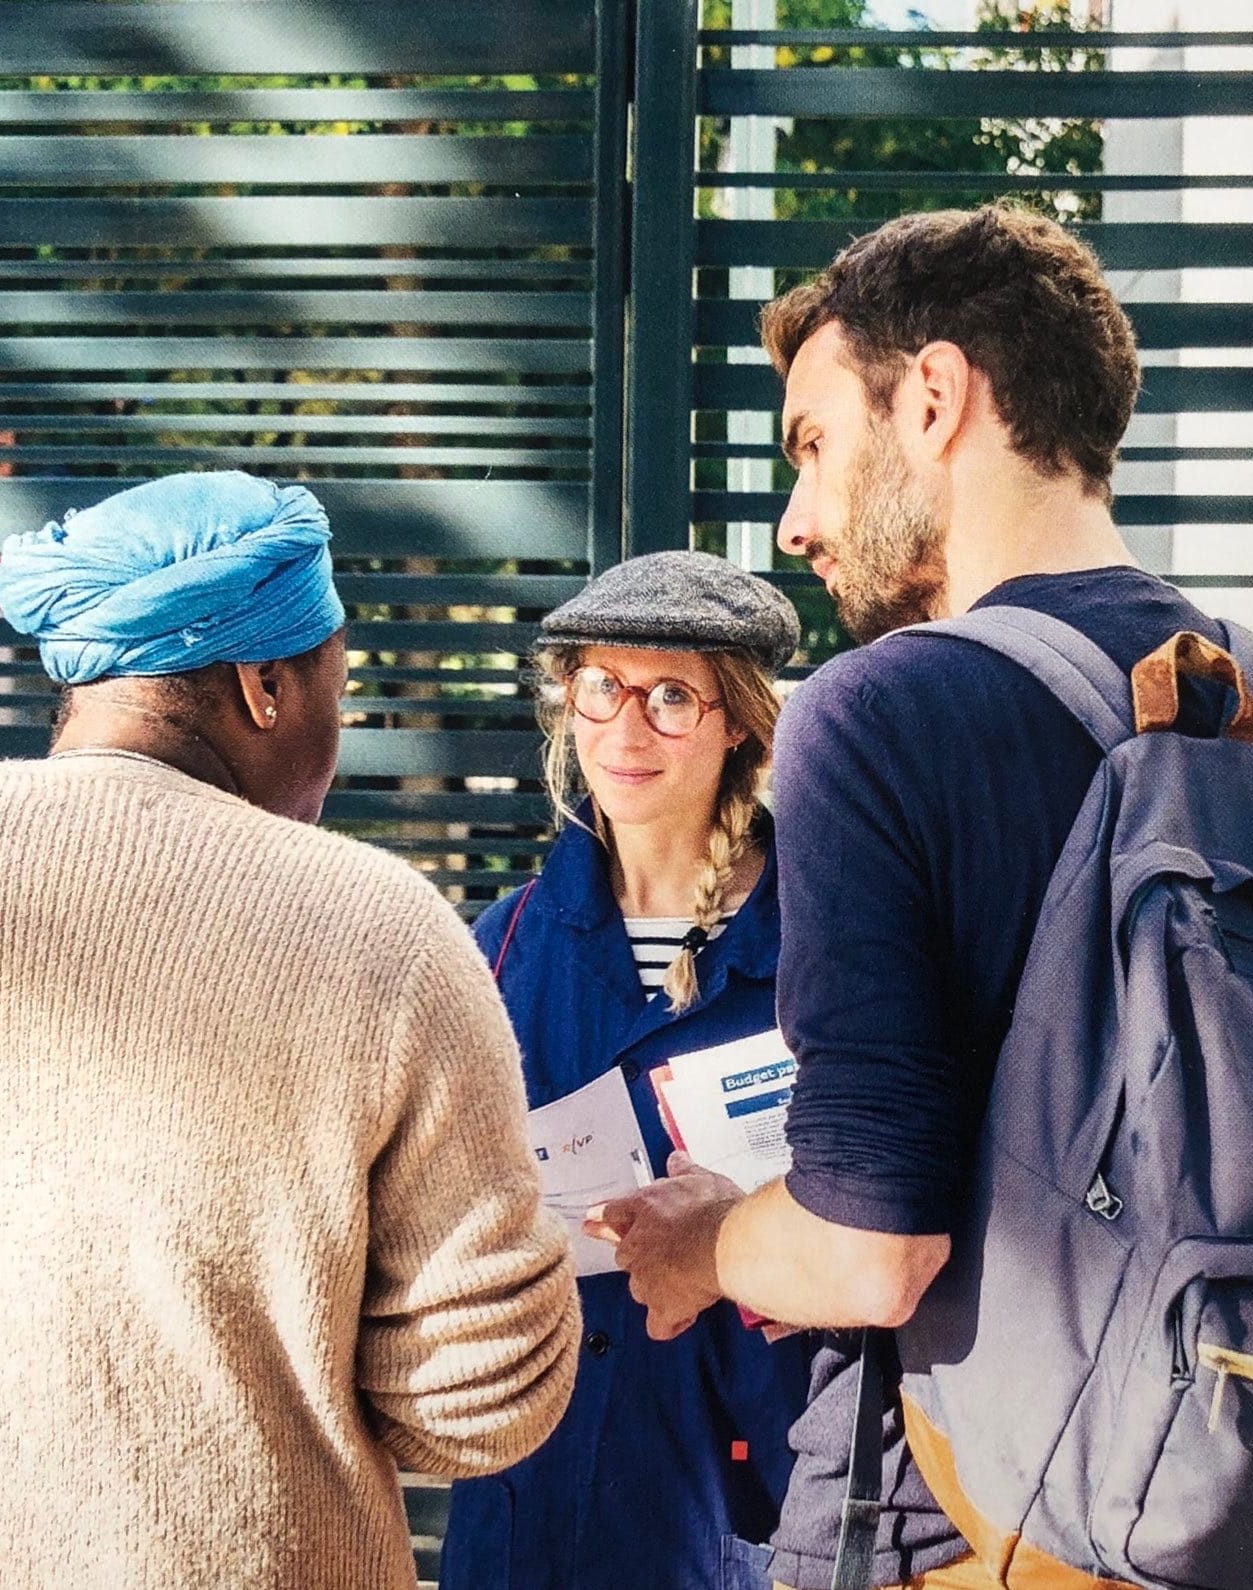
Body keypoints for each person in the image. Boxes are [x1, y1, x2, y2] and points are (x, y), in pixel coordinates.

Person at [589, 204, 1253, 1589]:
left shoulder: (876, 713)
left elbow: (868, 1247)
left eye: (817, 446)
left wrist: (710, 1241)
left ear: (940, 397)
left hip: (988, 1531)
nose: (797, 520)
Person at [0, 471, 580, 1590]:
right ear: (266, 686)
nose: (337, 722)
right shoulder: (381, 926)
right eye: (336, 685)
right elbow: (479, 1399)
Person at [441, 551, 816, 1590]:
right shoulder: (505, 942)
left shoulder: (821, 943)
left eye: (670, 697)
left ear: (735, 718)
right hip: (534, 1472)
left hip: (740, 1461)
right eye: (602, 687)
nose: (626, 728)